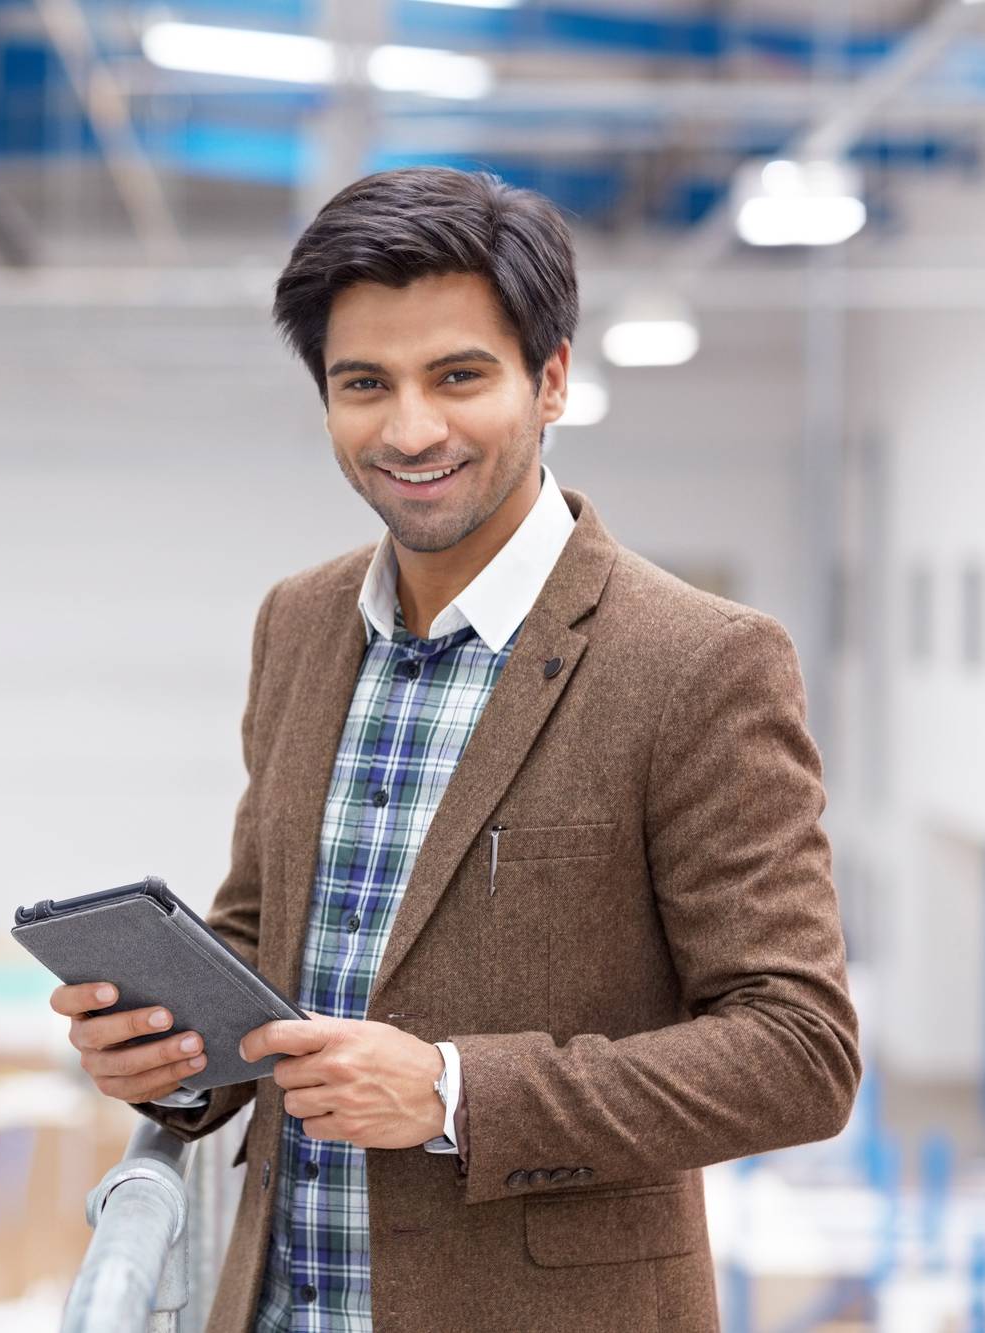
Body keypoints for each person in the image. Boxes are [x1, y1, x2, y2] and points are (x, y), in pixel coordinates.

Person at [49, 166, 859, 1331]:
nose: (409, 427)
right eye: (362, 383)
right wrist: (170, 1055)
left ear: (551, 381)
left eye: (457, 376)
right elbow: (259, 937)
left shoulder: (696, 661)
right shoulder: (297, 624)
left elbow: (797, 1050)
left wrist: (450, 1091)